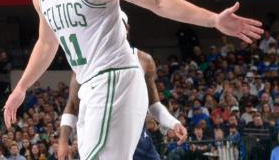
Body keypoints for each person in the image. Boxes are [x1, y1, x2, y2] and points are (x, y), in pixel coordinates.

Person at [2, 0, 264, 160]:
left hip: (115, 78)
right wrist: (22, 87)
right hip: (90, 86)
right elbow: (47, 42)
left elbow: (157, 1)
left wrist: (214, 20)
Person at [56, 46, 184, 160]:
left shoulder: (143, 59)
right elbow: (72, 105)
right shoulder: (84, 63)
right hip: (101, 138)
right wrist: (62, 141)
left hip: (137, 140)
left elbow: (154, 105)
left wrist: (173, 123)